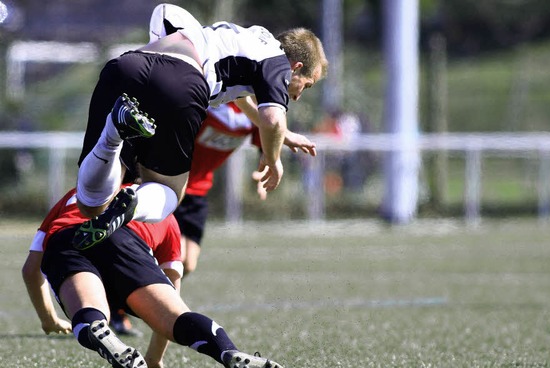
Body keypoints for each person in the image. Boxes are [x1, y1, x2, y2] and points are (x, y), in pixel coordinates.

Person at [73, 3, 328, 250]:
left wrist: (285, 135)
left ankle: (112, 134)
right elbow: (273, 119)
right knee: (171, 191)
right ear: (295, 68)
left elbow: (164, 12)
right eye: (306, 85)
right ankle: (133, 205)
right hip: (180, 81)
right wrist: (273, 160)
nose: (298, 96)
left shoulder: (249, 40)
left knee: (91, 204)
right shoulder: (277, 60)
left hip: (127, 65)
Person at [26, 185, 284, 368]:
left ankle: (96, 327)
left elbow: (30, 270)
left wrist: (49, 320)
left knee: (91, 314)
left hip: (69, 239)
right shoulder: (163, 212)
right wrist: (154, 359)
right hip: (125, 240)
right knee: (177, 318)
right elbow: (174, 292)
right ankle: (228, 351)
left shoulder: (76, 194)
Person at [176, 101, 317, 276]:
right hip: (175, 183)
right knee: (176, 257)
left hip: (199, 190)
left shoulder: (257, 115)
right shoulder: (214, 100)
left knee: (188, 263)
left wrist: (264, 175)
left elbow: (265, 148)